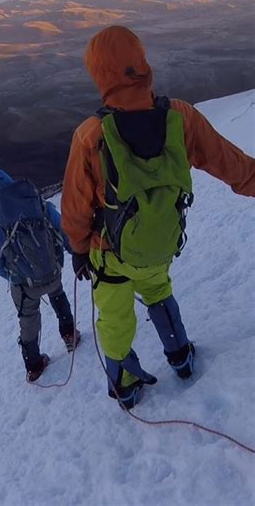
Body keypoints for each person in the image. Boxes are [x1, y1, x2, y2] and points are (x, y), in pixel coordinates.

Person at [61, 25, 255, 409]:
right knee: (158, 291)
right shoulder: (180, 116)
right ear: (142, 64)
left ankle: (126, 384)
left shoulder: (91, 135)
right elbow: (230, 164)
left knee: (115, 319)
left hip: (110, 254)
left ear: (99, 75)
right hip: (161, 242)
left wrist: (79, 249)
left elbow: (76, 207)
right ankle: (181, 356)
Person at [0, 168, 81, 382]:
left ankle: (34, 365)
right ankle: (69, 334)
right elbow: (62, 229)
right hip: (51, 272)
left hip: (24, 286)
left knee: (28, 320)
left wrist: (16, 276)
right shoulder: (39, 205)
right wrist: (75, 253)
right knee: (58, 295)